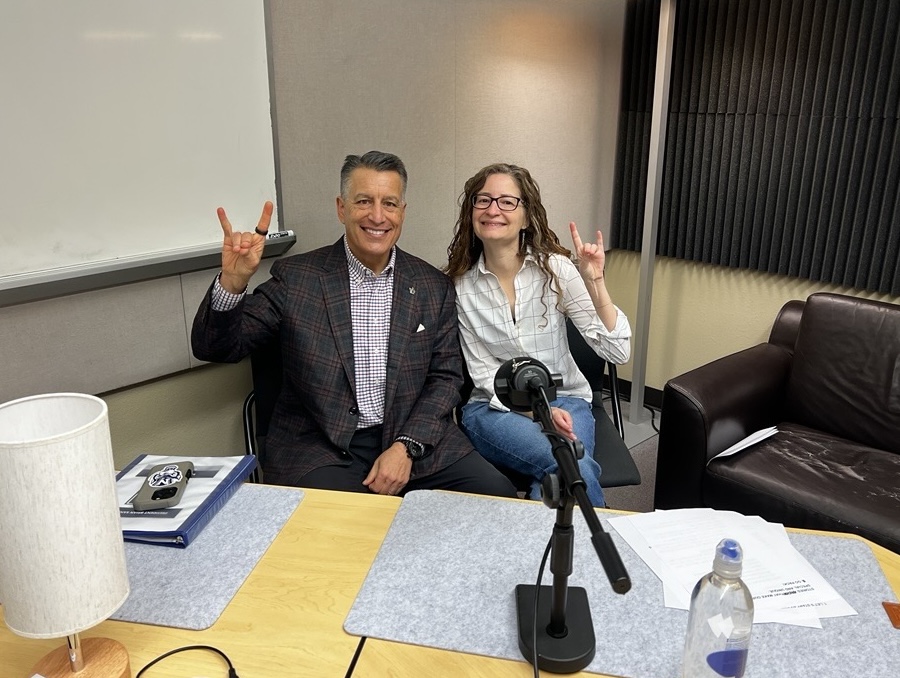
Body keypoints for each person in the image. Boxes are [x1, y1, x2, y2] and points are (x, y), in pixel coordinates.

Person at [192, 151, 516, 499]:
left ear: (402, 211)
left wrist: (406, 446)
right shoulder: (298, 279)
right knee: (354, 524)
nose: (377, 216)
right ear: (341, 208)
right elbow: (218, 348)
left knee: (496, 494)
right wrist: (233, 282)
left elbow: (446, 378)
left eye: (389, 203)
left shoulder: (431, 285)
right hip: (321, 446)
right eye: (364, 201)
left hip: (411, 439)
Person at [445, 163, 632, 507]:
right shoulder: (460, 286)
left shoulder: (556, 269)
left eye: (507, 202)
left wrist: (595, 283)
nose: (493, 210)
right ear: (471, 212)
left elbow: (617, 353)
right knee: (569, 462)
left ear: (527, 217)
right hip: (493, 409)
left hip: (567, 399)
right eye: (483, 200)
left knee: (559, 471)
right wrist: (539, 413)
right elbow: (483, 373)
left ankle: (548, 542)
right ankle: (596, 536)